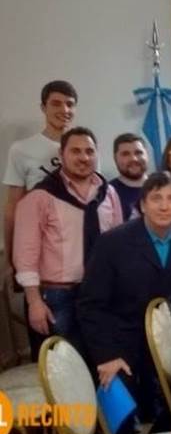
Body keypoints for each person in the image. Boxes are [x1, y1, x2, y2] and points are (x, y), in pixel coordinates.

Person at [77, 171, 171, 427]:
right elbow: (90, 306)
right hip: (123, 341)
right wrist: (107, 355)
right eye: (156, 198)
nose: (164, 206)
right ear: (142, 205)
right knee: (123, 419)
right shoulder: (112, 243)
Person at [13, 127, 123, 357]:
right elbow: (25, 254)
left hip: (100, 293)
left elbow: (118, 246)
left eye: (89, 151)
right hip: (58, 297)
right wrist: (34, 302)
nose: (83, 157)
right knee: (64, 364)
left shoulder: (109, 193)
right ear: (61, 155)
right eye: (75, 151)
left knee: (100, 358)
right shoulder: (40, 197)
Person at [4, 80, 77, 272]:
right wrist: (8, 259)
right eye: (56, 103)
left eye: (69, 104)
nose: (64, 109)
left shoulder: (86, 150)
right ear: (43, 108)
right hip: (36, 250)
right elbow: (12, 207)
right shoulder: (21, 149)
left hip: (76, 249)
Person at [109, 133, 149, 221]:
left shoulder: (162, 187)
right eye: (125, 154)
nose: (133, 159)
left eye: (138, 153)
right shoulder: (106, 193)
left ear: (147, 155)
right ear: (115, 158)